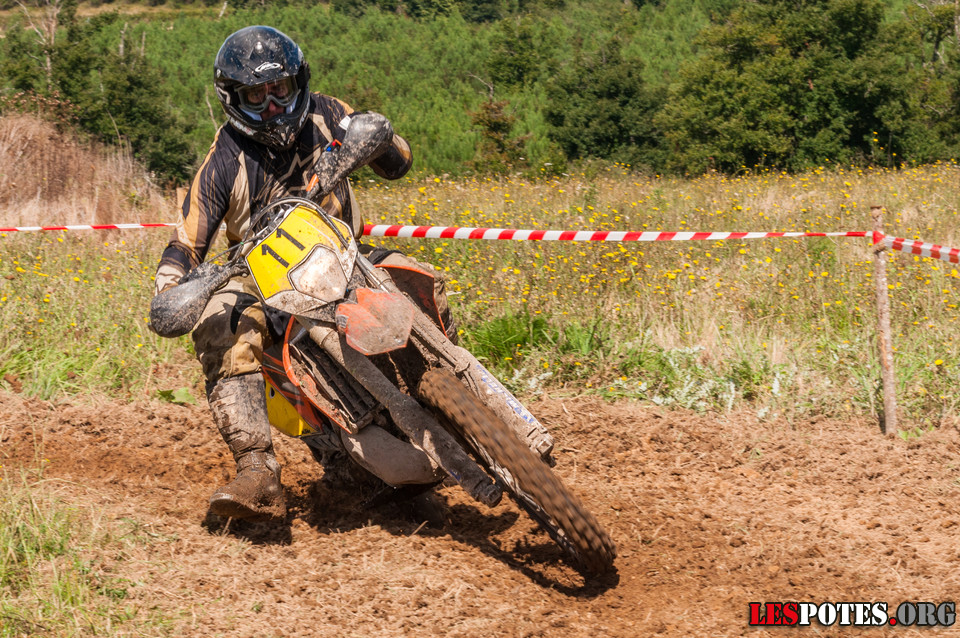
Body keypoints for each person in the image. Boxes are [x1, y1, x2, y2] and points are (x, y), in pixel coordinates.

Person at [152, 25, 456, 522]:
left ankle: (455, 386)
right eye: (257, 95)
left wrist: (378, 139)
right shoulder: (222, 161)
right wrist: (171, 289)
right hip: (264, 282)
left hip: (347, 253)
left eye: (280, 89)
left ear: (298, 82)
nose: (273, 105)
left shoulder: (329, 113)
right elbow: (186, 243)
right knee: (220, 318)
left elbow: (398, 161)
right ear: (233, 99)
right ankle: (257, 470)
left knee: (419, 276)